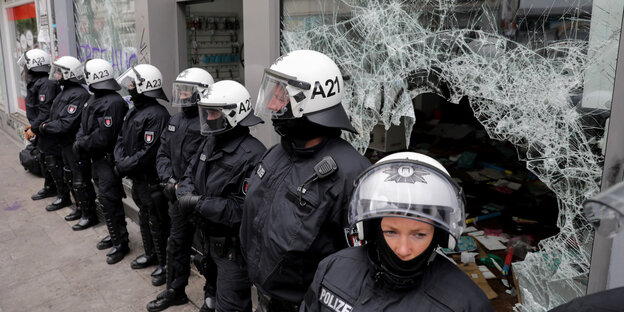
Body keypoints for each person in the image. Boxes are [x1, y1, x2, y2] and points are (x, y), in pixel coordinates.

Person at [240, 50, 371, 311]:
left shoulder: (351, 174)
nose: (272, 105)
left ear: (310, 101)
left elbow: (360, 266)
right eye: (273, 94)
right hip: (265, 296)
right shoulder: (277, 152)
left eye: (281, 96)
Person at [301, 152, 493, 311]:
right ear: (372, 228)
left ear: (440, 235)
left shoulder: (467, 305)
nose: (403, 250)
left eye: (419, 234)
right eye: (391, 232)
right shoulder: (333, 269)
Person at [148, 80, 265, 312]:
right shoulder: (210, 142)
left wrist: (199, 203)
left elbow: (242, 210)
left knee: (230, 305)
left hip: (233, 250)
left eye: (213, 113)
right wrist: (185, 193)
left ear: (233, 114)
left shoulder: (253, 154)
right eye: (206, 112)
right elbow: (190, 174)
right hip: (207, 239)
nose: (208, 118)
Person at [150, 67, 218, 310]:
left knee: (211, 252)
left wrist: (182, 186)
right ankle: (175, 289)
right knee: (176, 243)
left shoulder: (209, 120)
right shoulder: (175, 119)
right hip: (177, 195)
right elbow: (162, 152)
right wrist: (170, 180)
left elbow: (201, 160)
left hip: (199, 197)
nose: (183, 95)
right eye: (182, 90)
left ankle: (212, 297)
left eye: (188, 90)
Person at [115, 64, 171, 274]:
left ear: (144, 86)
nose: (129, 86)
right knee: (145, 217)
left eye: (133, 83)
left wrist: (123, 166)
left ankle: (165, 265)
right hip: (137, 179)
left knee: (158, 221)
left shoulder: (157, 115)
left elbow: (149, 153)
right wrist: (121, 162)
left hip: (151, 179)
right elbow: (121, 138)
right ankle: (151, 254)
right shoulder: (134, 111)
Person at [72, 58, 129, 237]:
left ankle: (120, 240)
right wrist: (80, 140)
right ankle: (114, 234)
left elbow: (104, 136)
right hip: (95, 158)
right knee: (103, 198)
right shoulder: (94, 98)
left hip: (107, 159)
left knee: (109, 198)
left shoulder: (113, 102)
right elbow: (84, 125)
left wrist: (82, 143)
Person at [38, 56, 92, 218]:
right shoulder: (65, 92)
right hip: (63, 143)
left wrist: (45, 127)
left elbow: (67, 123)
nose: (57, 75)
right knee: (69, 176)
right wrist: (47, 124)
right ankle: (79, 208)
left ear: (70, 74)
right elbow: (55, 116)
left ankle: (88, 214)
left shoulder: (79, 94)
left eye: (60, 72)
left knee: (79, 179)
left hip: (72, 143)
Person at [18, 48, 59, 201]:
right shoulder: (37, 81)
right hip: (41, 129)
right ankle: (49, 187)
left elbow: (45, 111)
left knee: (52, 161)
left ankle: (60, 193)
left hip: (47, 130)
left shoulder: (46, 83)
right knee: (44, 158)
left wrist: (33, 129)